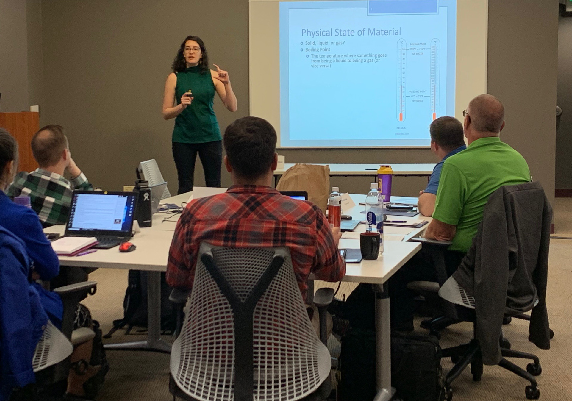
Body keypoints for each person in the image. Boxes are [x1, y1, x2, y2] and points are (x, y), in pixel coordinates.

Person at [389, 94, 531, 331]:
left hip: (465, 267)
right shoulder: (519, 161)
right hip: (510, 265)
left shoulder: (457, 166)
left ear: (466, 124)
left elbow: (440, 233)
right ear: (502, 127)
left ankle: (401, 341)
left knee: (394, 267)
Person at [166, 116, 345, 302]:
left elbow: (175, 278)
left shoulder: (195, 214)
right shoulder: (307, 216)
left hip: (211, 329)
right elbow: (334, 273)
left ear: (227, 164)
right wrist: (330, 243)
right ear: (274, 163)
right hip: (285, 329)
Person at [0, 126, 63, 325]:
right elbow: (50, 269)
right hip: (12, 314)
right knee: (80, 316)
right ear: (9, 166)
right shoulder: (21, 217)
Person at [162, 35, 238, 194]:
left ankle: (212, 218)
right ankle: (185, 218)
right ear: (183, 53)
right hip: (183, 138)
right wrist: (181, 106)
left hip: (210, 136)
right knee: (184, 184)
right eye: (187, 49)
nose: (191, 52)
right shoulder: (174, 77)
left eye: (195, 49)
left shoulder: (213, 76)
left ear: (201, 53)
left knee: (213, 184)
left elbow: (232, 107)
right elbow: (166, 113)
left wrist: (227, 83)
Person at [7, 124, 93, 227]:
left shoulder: (18, 182)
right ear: (65, 154)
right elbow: (90, 201)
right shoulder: (71, 200)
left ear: (35, 154)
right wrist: (73, 167)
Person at [417, 116, 466, 216]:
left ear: (434, 145)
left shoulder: (447, 165)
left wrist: (424, 198)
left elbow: (428, 209)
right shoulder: (473, 158)